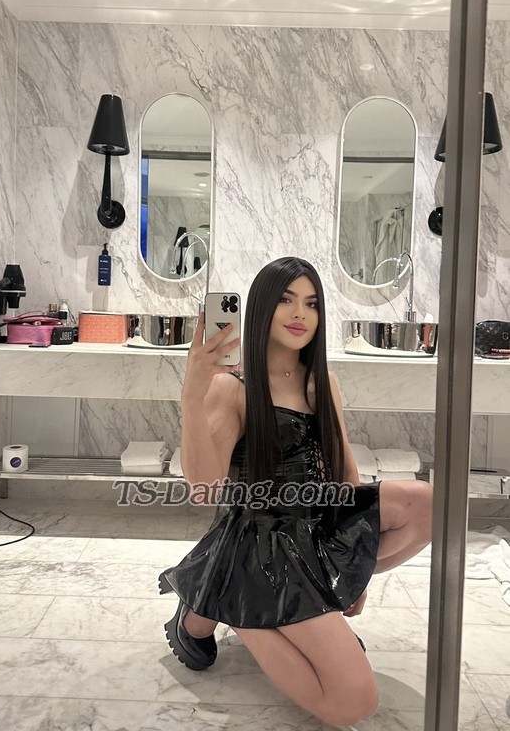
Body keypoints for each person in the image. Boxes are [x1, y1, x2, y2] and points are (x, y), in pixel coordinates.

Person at [159, 257, 433, 728]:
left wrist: (356, 572)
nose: (300, 313)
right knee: (354, 702)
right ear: (262, 308)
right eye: (286, 300)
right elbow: (204, 489)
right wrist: (192, 394)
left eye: (311, 303)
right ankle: (236, 603)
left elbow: (345, 474)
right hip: (263, 545)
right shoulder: (232, 387)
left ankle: (234, 598)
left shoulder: (323, 383)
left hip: (316, 528)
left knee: (429, 504)